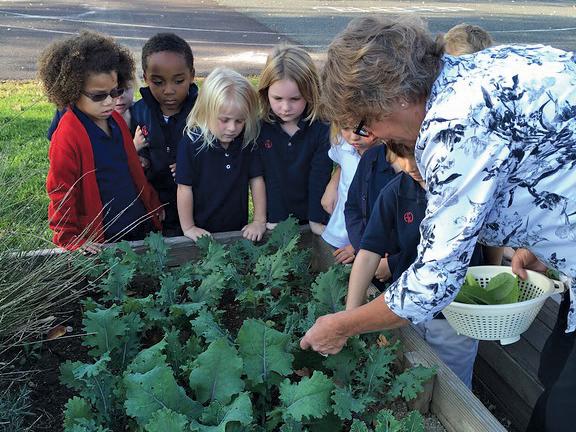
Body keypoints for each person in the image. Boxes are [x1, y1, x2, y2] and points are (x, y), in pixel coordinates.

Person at [299, 15, 576, 432]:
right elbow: (552, 159)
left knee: (563, 415)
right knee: (556, 367)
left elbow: (432, 283)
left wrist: (342, 325)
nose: (369, 137)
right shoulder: (485, 65)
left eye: (363, 124)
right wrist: (547, 239)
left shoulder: (451, 129)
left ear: (389, 99)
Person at [346, 159, 483, 388]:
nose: (410, 164)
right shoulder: (396, 190)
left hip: (454, 317)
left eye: (415, 152)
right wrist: (349, 317)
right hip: (404, 312)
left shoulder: (464, 186)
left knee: (453, 387)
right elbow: (368, 252)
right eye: (399, 154)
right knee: (407, 376)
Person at [38, 31, 163, 252]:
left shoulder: (115, 119)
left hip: (137, 222)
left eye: (114, 92)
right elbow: (61, 190)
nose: (110, 102)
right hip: (104, 234)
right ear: (73, 90)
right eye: (98, 96)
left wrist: (152, 204)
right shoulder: (68, 134)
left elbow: (132, 169)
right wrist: (69, 238)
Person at [176, 68, 266, 242]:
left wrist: (259, 220)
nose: (232, 128)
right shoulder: (192, 143)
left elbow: (256, 180)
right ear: (207, 111)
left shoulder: (246, 141)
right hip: (201, 231)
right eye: (224, 120)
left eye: (239, 121)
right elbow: (184, 188)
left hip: (237, 230)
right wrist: (189, 227)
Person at [257, 45, 333, 235]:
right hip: (272, 221)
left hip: (311, 218)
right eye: (277, 98)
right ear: (266, 92)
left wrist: (316, 218)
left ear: (310, 93)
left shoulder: (321, 128)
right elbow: (262, 175)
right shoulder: (260, 127)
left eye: (295, 99)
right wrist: (271, 218)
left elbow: (320, 175)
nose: (285, 107)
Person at [131, 33, 198, 237]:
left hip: (198, 212)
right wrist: (140, 158)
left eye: (178, 81)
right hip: (152, 212)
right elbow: (126, 154)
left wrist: (194, 164)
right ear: (145, 78)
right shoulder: (138, 112)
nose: (169, 90)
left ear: (192, 75)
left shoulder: (203, 112)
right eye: (158, 82)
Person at [320, 124, 382, 264]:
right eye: (346, 128)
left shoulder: (386, 157)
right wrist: (332, 184)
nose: (354, 137)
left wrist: (356, 246)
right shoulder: (343, 145)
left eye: (363, 129)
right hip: (338, 230)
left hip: (365, 243)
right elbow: (343, 165)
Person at [46, 78, 137, 141]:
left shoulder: (140, 112)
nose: (120, 97)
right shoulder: (67, 112)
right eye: (99, 94)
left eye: (125, 89)